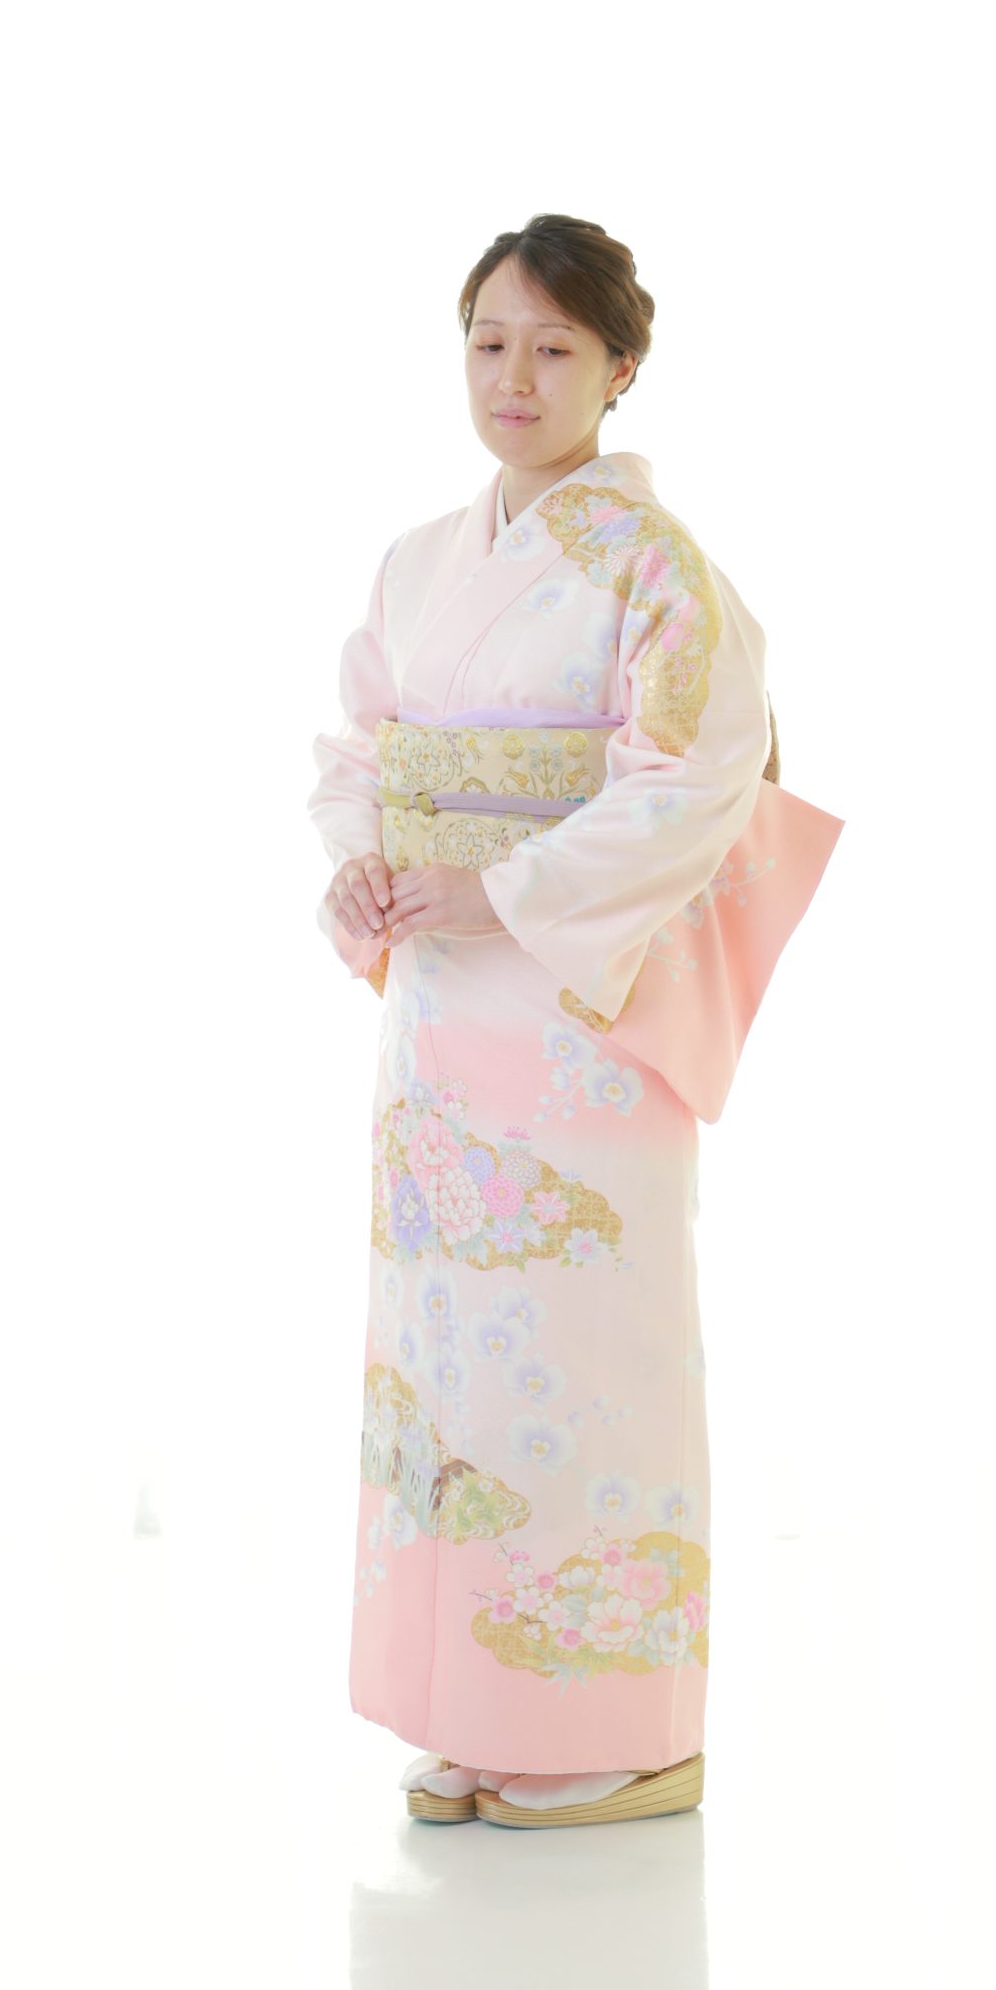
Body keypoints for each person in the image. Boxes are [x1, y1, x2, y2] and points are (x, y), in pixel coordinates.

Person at [306, 214, 844, 1828]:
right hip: (439, 1015)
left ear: (622, 367)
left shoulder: (660, 570)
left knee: (585, 1353)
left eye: (554, 347)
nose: (515, 376)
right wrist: (361, 867)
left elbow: (695, 783)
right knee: (450, 1362)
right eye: (489, 342)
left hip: (577, 1017)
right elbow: (361, 749)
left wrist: (500, 888)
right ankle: (479, 1714)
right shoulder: (418, 561)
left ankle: (621, 1731)